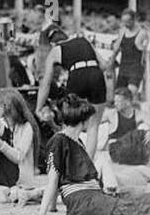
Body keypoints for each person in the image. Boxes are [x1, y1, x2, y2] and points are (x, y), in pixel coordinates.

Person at [35, 23, 106, 159]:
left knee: (69, 124)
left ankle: (67, 162)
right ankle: (89, 164)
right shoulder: (83, 40)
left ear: (52, 42)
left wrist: (39, 107)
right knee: (93, 126)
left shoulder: (56, 50)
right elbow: (103, 65)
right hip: (95, 73)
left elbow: (46, 83)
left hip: (76, 75)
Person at [0, 87, 43, 204]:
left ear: (6, 107)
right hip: (3, 174)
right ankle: (12, 193)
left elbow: (18, 157)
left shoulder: (26, 127)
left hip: (20, 177)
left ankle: (17, 192)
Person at [101, 87, 150, 166]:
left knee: (148, 133)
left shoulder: (139, 114)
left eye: (118, 101)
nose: (115, 104)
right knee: (142, 133)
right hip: (116, 150)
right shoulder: (111, 114)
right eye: (115, 101)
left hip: (130, 149)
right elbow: (92, 123)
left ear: (127, 102)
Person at [112, 9, 149, 99]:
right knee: (119, 97)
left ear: (133, 20)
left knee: (130, 96)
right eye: (123, 22)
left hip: (135, 69)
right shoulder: (122, 31)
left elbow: (147, 55)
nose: (125, 24)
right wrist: (112, 61)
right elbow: (116, 49)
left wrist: (145, 74)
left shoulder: (142, 33)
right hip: (123, 68)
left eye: (127, 22)